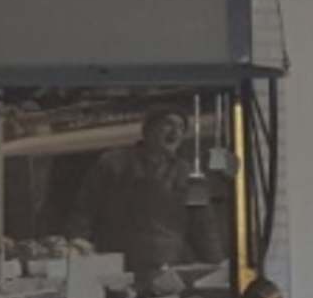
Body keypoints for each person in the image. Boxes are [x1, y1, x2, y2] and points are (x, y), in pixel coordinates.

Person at [67, 110, 222, 276]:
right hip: (119, 267)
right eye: (168, 124)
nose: (175, 132)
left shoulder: (191, 176)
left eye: (181, 128)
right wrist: (77, 242)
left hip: (168, 268)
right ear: (148, 130)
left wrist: (218, 267)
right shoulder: (112, 163)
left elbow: (204, 227)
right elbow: (85, 209)